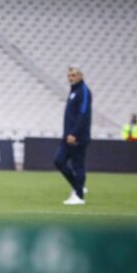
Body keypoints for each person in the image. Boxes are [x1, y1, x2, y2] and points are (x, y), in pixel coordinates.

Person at [54, 66, 91, 205]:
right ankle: (78, 186)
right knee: (58, 161)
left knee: (78, 165)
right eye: (69, 75)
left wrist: (75, 133)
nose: (71, 78)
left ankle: (79, 197)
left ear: (81, 76)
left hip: (78, 137)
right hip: (67, 136)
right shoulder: (73, 91)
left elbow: (83, 114)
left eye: (74, 75)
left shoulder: (84, 91)